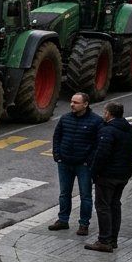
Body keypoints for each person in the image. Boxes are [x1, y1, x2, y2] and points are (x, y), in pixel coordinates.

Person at [87, 102, 132, 254]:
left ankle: (104, 241)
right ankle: (113, 240)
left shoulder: (108, 131)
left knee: (103, 207)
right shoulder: (130, 130)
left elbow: (101, 154)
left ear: (109, 113)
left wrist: (94, 172)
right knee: (115, 206)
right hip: (123, 174)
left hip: (107, 176)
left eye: (104, 111)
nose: (103, 114)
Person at [51, 92, 102, 237]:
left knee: (85, 195)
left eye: (76, 102)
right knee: (64, 194)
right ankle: (63, 220)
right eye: (71, 101)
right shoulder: (65, 118)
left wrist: (89, 161)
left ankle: (84, 224)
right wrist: (57, 155)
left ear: (85, 104)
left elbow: (98, 144)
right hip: (65, 163)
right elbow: (57, 137)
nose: (72, 104)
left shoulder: (96, 121)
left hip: (83, 165)